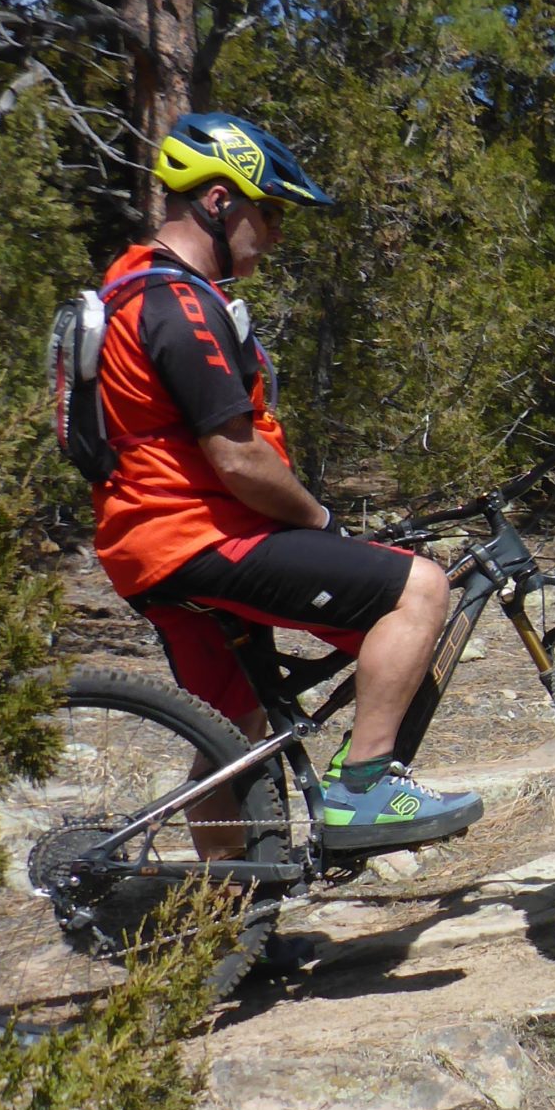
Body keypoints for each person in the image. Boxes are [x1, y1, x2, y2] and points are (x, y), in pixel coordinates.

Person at [92, 112, 481, 851]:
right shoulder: (177, 304)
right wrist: (321, 522)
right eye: (266, 210)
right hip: (198, 537)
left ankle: (227, 930)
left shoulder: (130, 287)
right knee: (419, 589)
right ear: (216, 200)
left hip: (146, 547)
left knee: (232, 724)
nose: (273, 233)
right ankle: (362, 787)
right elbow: (237, 457)